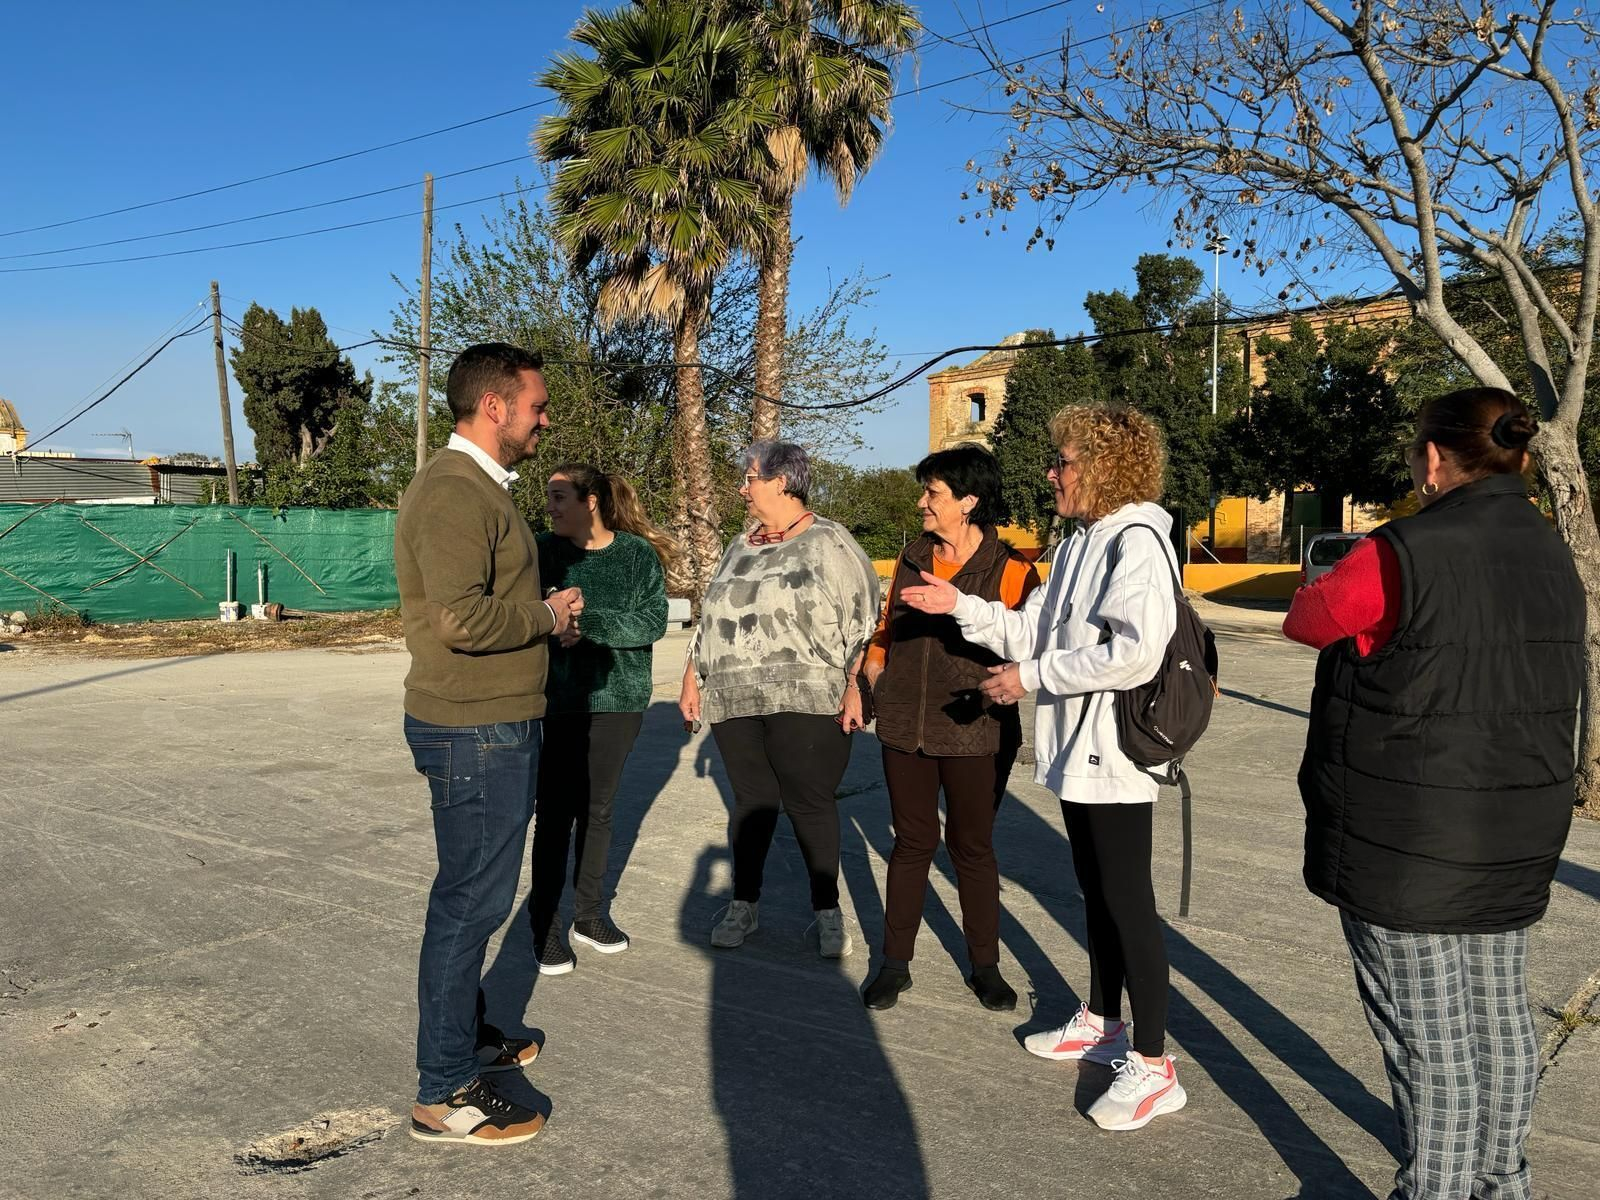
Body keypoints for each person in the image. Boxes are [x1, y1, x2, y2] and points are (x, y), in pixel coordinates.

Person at [1285, 387, 1582, 1200]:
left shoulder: (1402, 550)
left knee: (1430, 1043)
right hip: (1518, 825)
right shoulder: (1552, 548)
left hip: (1409, 836)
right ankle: (1501, 1182)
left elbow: (1310, 620)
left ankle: (1437, 1190)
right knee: (1500, 1019)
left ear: (1432, 458)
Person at [901, 405, 1186, 1132]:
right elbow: (1032, 630)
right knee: (1097, 893)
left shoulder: (1137, 541)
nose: (1051, 473)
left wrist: (1030, 679)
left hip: (1115, 752)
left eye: (1063, 462)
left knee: (1128, 903)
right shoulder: (1081, 540)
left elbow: (1135, 653)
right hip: (1078, 751)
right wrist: (960, 604)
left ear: (1104, 467)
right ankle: (1104, 1022)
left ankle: (1154, 1066)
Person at [393, 342, 583, 1147]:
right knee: (470, 903)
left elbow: (482, 603)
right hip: (474, 728)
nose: (545, 420)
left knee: (470, 895)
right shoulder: (453, 490)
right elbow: (460, 619)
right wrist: (546, 615)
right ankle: (444, 1092)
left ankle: (465, 1040)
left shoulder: (480, 488)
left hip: (492, 722)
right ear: (495, 406)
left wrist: (543, 621)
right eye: (537, 406)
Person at [678, 441, 880, 959]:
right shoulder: (738, 545)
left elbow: (865, 620)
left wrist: (855, 685)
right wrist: (692, 675)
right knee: (752, 804)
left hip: (808, 696)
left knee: (810, 804)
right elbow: (711, 618)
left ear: (782, 482)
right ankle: (743, 905)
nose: (742, 489)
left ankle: (827, 911)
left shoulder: (829, 541)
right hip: (735, 697)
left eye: (750, 478)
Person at [858, 444, 1040, 1012]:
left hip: (976, 730)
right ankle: (894, 964)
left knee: (971, 848)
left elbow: (1029, 646)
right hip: (903, 727)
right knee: (911, 844)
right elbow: (886, 628)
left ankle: (985, 967)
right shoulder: (911, 556)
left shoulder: (1012, 569)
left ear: (968, 501)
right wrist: (873, 671)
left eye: (932, 493)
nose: (921, 503)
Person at [529, 464, 673, 974]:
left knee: (599, 810)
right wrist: (553, 617)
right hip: (556, 702)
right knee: (554, 815)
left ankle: (588, 915)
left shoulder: (634, 554)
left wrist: (584, 622)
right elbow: (520, 612)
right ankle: (544, 924)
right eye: (549, 496)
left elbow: (652, 620)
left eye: (559, 497)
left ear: (590, 501)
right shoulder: (540, 550)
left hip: (619, 701)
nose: (550, 507)